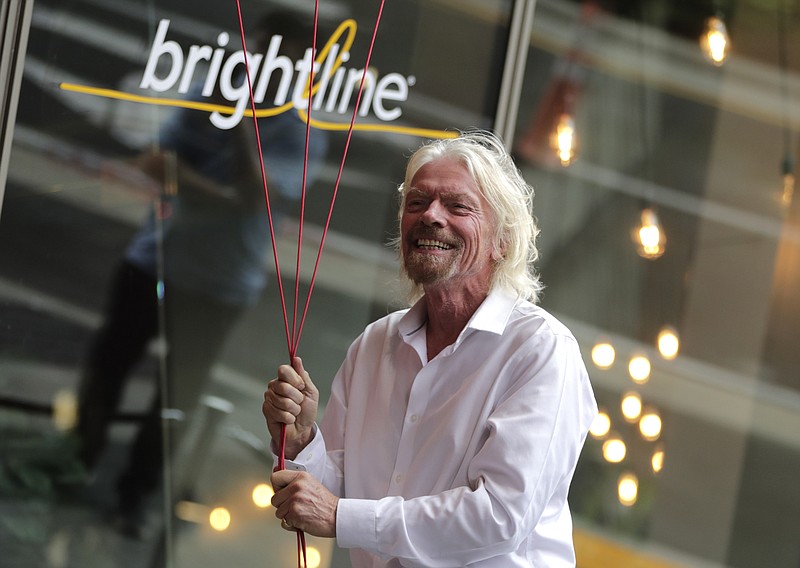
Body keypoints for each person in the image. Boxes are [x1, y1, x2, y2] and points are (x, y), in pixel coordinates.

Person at [263, 130, 598, 567]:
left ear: (503, 241)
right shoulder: (373, 345)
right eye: (417, 203)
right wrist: (303, 438)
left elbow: (499, 516)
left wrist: (342, 516)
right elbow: (337, 494)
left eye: (458, 206)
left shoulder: (540, 350)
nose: (431, 216)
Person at [75, 10, 328, 537]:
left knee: (176, 394)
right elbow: (155, 160)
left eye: (280, 52)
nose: (262, 60)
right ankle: (76, 467)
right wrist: (222, 195)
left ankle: (134, 497)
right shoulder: (210, 95)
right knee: (109, 366)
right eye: (261, 46)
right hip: (157, 258)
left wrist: (240, 128)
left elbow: (259, 191)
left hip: (220, 283)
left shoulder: (300, 131)